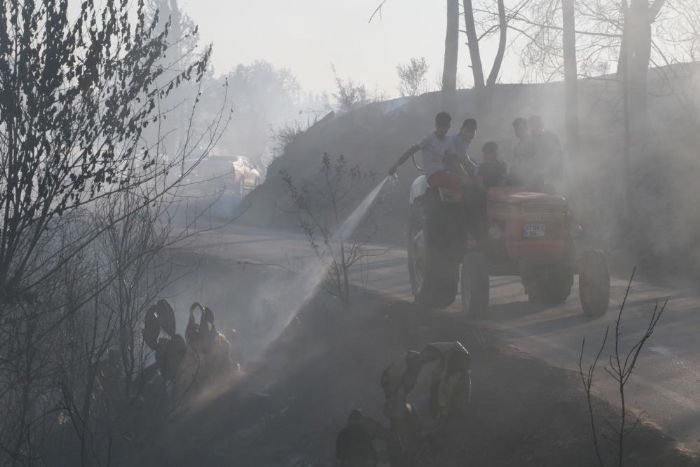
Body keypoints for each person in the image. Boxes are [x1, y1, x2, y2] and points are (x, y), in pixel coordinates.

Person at [388, 112, 473, 192]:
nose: (443, 129)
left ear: (449, 126)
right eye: (441, 126)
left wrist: (465, 174)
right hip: (433, 176)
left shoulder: (448, 141)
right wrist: (396, 165)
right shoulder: (428, 139)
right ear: (436, 126)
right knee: (467, 184)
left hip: (444, 174)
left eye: (446, 126)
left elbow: (454, 161)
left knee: (469, 182)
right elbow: (411, 151)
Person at [528, 115, 564, 189]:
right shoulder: (532, 140)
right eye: (531, 127)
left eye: (535, 126)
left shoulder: (550, 136)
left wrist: (546, 170)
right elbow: (532, 158)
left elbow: (557, 154)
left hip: (552, 175)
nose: (532, 130)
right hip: (538, 176)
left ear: (541, 125)